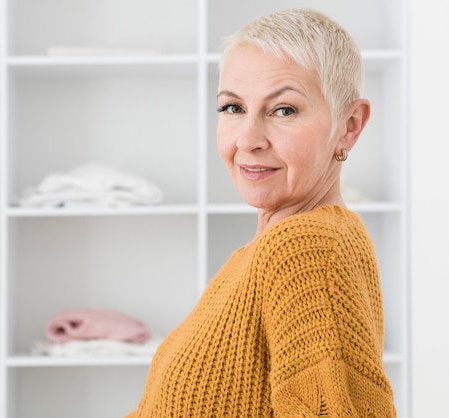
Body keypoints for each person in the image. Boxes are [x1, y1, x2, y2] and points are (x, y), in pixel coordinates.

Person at [125, 8, 396, 417]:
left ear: (350, 125)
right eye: (233, 108)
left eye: (283, 110)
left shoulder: (305, 248)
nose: (248, 139)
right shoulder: (265, 251)